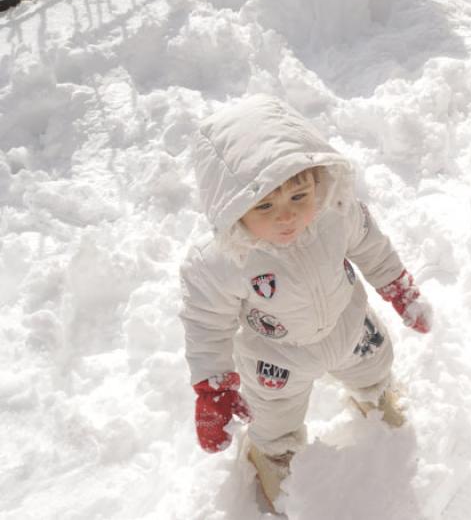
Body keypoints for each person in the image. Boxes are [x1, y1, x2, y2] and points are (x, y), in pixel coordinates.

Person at [179, 95, 432, 509]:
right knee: (275, 418)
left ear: (316, 178)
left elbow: (372, 247)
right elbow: (207, 323)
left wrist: (398, 287)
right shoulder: (225, 260)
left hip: (349, 328)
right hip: (276, 359)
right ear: (232, 207)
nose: (287, 217)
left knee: (374, 363)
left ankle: (374, 394)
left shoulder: (336, 212)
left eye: (299, 196)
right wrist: (213, 387)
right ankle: (273, 454)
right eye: (264, 205)